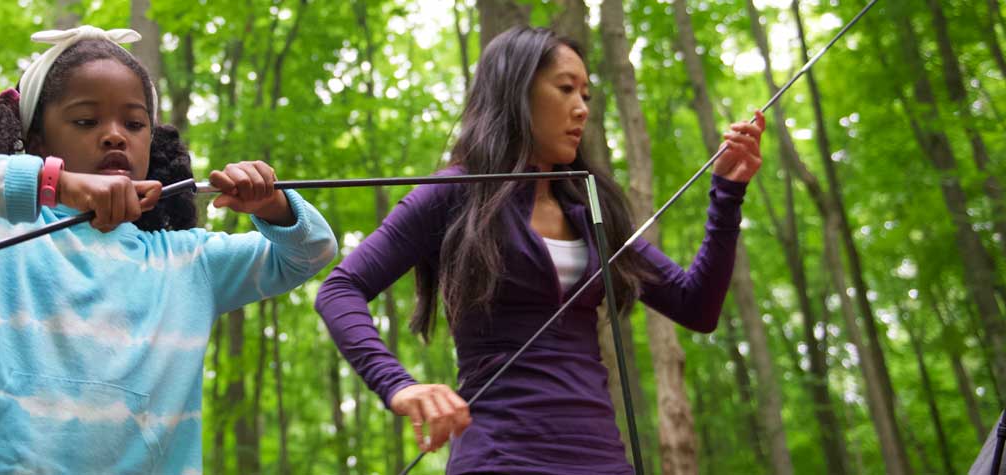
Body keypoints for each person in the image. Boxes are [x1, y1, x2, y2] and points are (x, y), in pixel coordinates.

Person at [0, 26, 337, 474]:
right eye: (86, 120)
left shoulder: (191, 262)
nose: (114, 134)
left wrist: (273, 204)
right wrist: (53, 185)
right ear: (37, 139)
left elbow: (311, 252)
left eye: (135, 123)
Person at [313, 26, 763, 474]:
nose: (582, 108)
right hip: (498, 458)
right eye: (566, 88)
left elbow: (697, 307)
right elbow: (340, 288)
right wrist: (398, 386)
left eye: (586, 94)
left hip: (601, 458)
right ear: (516, 93)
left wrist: (727, 193)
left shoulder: (590, 208)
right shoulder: (454, 192)